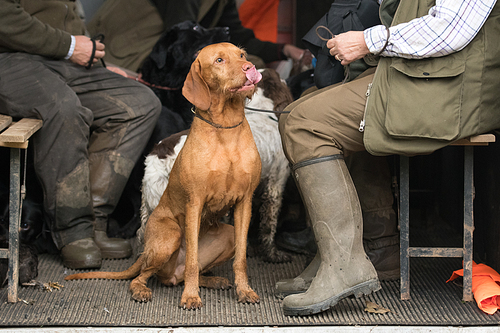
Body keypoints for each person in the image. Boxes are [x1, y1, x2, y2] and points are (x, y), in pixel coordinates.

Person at [276, 0, 500, 316]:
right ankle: (371, 250)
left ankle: (345, 264)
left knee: (307, 124)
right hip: (422, 75)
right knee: (292, 114)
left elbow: (450, 29)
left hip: (449, 89)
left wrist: (368, 40)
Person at [0, 0, 162, 270]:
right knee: (64, 109)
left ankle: (95, 222)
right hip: (9, 58)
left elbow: (66, 17)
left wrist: (95, 63)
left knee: (140, 104)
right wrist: (70, 47)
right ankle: (73, 232)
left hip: (58, 59)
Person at [86, 0, 312, 73]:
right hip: (126, 51)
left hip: (164, 46)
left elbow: (236, 36)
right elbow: (180, 36)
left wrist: (284, 50)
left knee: (251, 64)